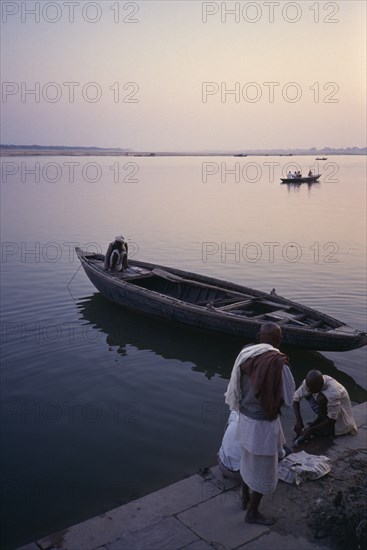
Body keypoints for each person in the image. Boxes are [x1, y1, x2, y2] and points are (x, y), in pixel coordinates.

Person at [225, 323, 295, 525]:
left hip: (244, 419)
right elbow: (289, 399)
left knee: (247, 460)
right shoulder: (278, 362)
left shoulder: (245, 355)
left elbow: (236, 386)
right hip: (263, 426)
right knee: (264, 470)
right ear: (279, 340)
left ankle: (244, 498)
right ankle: (252, 513)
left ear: (258, 337)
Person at [293, 370, 357, 442]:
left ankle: (325, 427)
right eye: (309, 387)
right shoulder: (311, 383)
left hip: (340, 422)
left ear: (319, 385)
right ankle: (321, 419)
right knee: (307, 393)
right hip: (329, 409)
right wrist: (299, 420)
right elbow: (295, 399)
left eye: (312, 389)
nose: (309, 390)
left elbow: (332, 419)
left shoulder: (333, 392)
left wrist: (311, 430)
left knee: (321, 398)